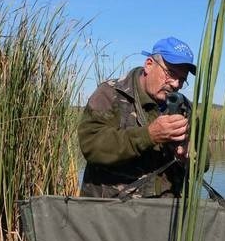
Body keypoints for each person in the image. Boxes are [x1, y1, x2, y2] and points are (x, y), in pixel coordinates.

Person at [78, 36, 196, 198]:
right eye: (171, 74)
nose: (176, 84)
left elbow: (205, 159)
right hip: (110, 213)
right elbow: (92, 147)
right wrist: (149, 135)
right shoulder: (110, 94)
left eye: (182, 79)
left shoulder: (185, 107)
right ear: (149, 65)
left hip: (165, 214)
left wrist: (190, 153)